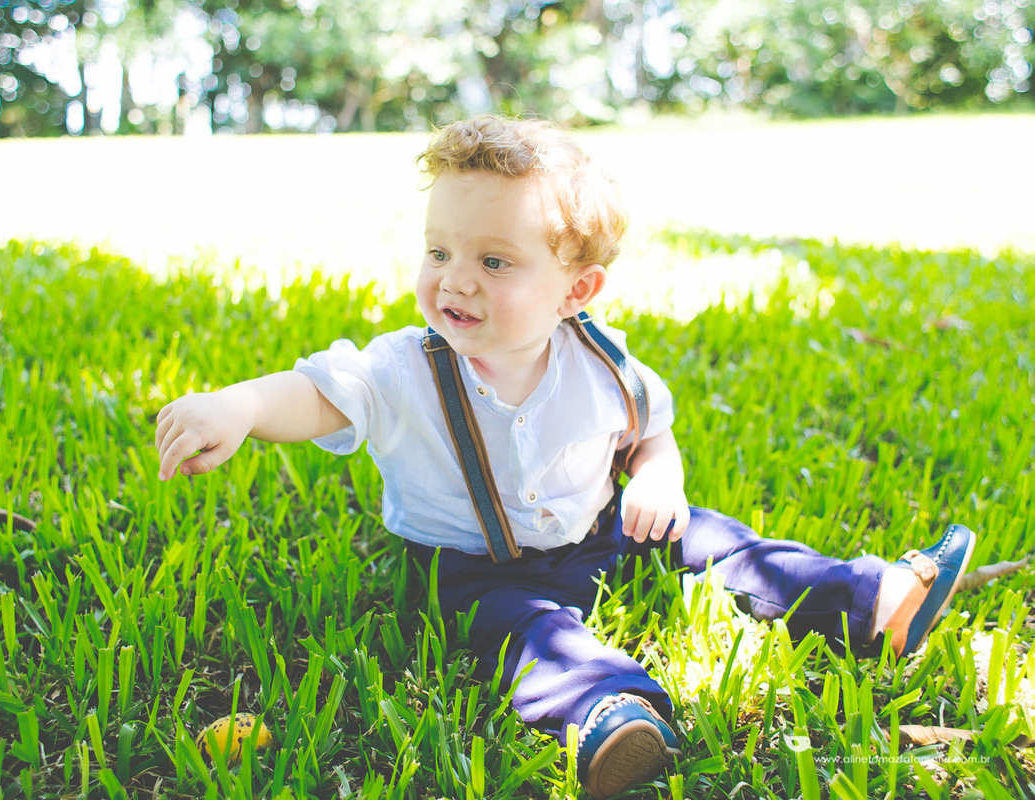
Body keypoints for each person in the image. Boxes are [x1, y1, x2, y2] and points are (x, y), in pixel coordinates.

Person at [154, 115, 976, 798]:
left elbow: (649, 429)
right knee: (523, 634)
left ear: (575, 291)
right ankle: (610, 711)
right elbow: (320, 392)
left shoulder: (600, 360)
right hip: (472, 568)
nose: (455, 281)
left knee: (722, 541)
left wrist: (658, 475)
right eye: (439, 253)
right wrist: (241, 406)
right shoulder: (405, 367)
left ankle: (871, 600)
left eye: (493, 261)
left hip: (600, 527)